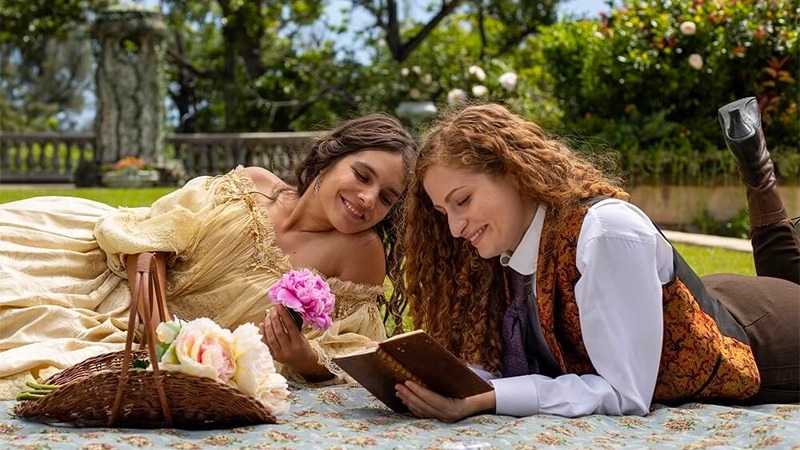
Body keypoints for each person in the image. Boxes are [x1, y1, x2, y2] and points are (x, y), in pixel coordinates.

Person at [398, 102, 799, 422]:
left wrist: (487, 397)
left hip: (775, 345)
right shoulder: (508, 255)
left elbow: (626, 394)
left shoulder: (604, 231)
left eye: (462, 201)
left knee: (785, 265)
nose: (453, 228)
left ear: (512, 172)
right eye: (442, 212)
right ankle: (757, 169)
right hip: (719, 298)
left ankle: (757, 171)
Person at [0, 113, 416, 400]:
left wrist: (302, 358)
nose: (367, 199)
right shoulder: (252, 184)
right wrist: (158, 322)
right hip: (111, 283)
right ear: (329, 159)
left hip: (186, 360)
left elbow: (351, 358)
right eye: (362, 175)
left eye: (386, 198)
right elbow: (150, 234)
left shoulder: (361, 253)